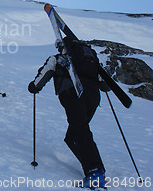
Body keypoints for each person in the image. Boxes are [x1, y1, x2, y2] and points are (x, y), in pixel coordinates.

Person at [28, 37, 109, 189]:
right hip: (93, 96)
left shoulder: (58, 59)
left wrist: (33, 87)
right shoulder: (90, 59)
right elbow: (105, 85)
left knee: (80, 132)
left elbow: (41, 78)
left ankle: (95, 172)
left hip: (73, 93)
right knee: (72, 137)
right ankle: (93, 169)